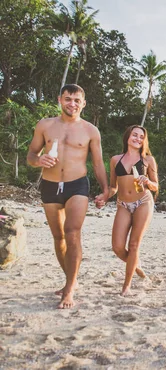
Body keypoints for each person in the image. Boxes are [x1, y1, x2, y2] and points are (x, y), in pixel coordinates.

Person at [27, 84, 109, 309]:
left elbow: (98, 163)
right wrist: (39, 160)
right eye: (68, 99)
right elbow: (31, 155)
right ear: (59, 100)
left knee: (72, 233)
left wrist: (106, 189)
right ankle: (69, 279)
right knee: (58, 237)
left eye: (76, 100)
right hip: (50, 185)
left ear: (83, 104)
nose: (72, 103)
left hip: (77, 185)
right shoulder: (45, 125)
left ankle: (70, 289)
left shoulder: (91, 130)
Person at [106, 125, 159, 296]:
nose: (138, 138)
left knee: (134, 244)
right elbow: (113, 187)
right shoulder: (115, 160)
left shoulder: (148, 160)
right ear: (128, 137)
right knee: (117, 247)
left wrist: (148, 183)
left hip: (143, 202)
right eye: (134, 135)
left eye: (141, 136)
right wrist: (103, 196)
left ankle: (126, 287)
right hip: (123, 204)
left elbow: (156, 186)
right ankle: (136, 265)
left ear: (144, 140)